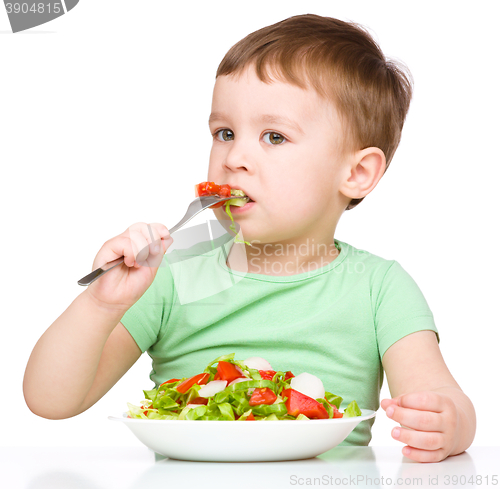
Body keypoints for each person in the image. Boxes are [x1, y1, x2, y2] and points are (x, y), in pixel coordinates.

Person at [23, 14, 475, 462]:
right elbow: (51, 400)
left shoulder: (380, 288)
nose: (234, 157)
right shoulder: (169, 274)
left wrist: (448, 424)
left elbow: (440, 397)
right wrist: (102, 303)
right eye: (224, 133)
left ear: (356, 173)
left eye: (274, 137)